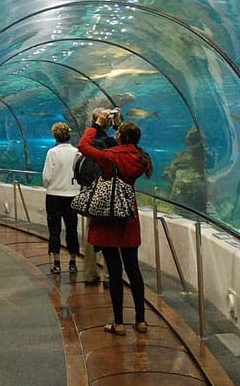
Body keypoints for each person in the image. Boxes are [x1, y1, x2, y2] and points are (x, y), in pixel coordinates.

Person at [78, 108, 153, 335]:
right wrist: (119, 126)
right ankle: (140, 320)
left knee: (114, 269)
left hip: (109, 217)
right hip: (129, 217)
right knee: (134, 269)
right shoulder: (140, 157)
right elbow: (125, 146)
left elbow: (83, 146)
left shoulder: (111, 157)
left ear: (119, 135)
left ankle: (119, 322)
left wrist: (98, 125)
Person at [82, 107, 115, 287]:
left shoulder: (89, 142)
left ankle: (89, 273)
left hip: (90, 193)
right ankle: (110, 276)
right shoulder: (110, 142)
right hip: (109, 195)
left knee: (91, 234)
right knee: (110, 234)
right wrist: (118, 126)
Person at [42, 122, 81, 274]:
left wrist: (50, 185)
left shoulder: (52, 152)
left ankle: (57, 263)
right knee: (72, 229)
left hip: (54, 196)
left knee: (54, 229)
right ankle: (73, 262)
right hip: (72, 195)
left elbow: (46, 176)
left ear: (55, 136)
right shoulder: (77, 152)